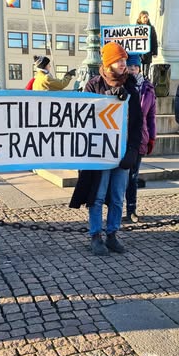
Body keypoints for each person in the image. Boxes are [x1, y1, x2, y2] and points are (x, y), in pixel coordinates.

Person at [69, 42, 143, 256]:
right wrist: (110, 97)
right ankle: (95, 236)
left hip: (122, 152)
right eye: (119, 60)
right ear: (108, 62)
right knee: (98, 196)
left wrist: (133, 150)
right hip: (99, 153)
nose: (123, 64)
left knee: (118, 196)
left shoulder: (131, 86)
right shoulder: (93, 85)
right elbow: (84, 117)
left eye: (124, 60)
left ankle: (112, 234)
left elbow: (137, 123)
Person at [124, 54, 156, 223]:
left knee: (133, 177)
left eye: (135, 66)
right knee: (119, 178)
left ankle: (131, 210)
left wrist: (151, 137)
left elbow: (151, 116)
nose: (133, 69)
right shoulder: (121, 85)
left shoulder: (148, 88)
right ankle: (115, 209)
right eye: (130, 66)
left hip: (139, 136)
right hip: (122, 136)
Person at [136, 11, 158, 77]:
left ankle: (145, 80)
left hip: (147, 53)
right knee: (137, 70)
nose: (146, 19)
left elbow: (154, 40)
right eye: (144, 17)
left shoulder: (151, 28)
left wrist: (155, 52)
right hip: (138, 53)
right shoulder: (135, 28)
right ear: (140, 18)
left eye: (147, 17)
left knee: (146, 73)